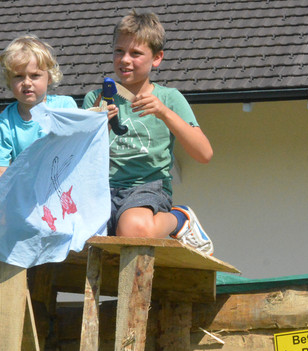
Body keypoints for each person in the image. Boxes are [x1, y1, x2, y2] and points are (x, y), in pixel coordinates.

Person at [83, 10, 214, 253]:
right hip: (101, 188)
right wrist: (94, 122)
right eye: (119, 51)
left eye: (136, 53)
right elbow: (81, 156)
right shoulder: (96, 97)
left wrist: (165, 113)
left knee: (133, 230)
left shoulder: (169, 98)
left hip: (148, 186)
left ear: (157, 58)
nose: (125, 60)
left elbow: (204, 154)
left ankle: (180, 218)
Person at [0, 35, 78, 190]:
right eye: (18, 76)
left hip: (64, 189)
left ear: (49, 77)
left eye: (35, 75)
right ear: (9, 80)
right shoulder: (6, 122)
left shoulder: (65, 107)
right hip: (27, 193)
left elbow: (82, 145)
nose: (27, 83)